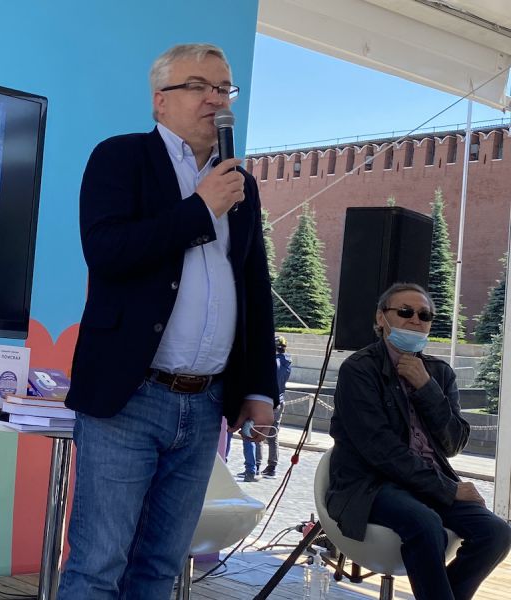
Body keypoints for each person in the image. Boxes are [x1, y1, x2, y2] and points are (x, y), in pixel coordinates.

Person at [58, 43, 280, 600]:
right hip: (130, 398)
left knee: (160, 568)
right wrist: (200, 209)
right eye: (199, 86)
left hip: (205, 404)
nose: (215, 99)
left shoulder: (240, 184)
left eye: (224, 88)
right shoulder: (121, 158)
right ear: (160, 100)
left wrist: (259, 388)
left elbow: (254, 287)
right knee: (98, 565)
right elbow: (107, 251)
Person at [326, 282, 511, 600]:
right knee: (425, 523)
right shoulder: (359, 369)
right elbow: (379, 449)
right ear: (381, 318)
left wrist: (426, 387)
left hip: (426, 483)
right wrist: (449, 489)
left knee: (496, 533)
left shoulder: (439, 373)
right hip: (370, 484)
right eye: (405, 312)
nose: (415, 320)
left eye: (424, 315)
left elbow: (453, 443)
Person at [239, 335, 291, 481]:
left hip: (267, 402)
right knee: (273, 435)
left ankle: (255, 467)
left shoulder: (273, 362)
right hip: (280, 400)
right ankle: (272, 467)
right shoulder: (287, 362)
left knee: (257, 433)